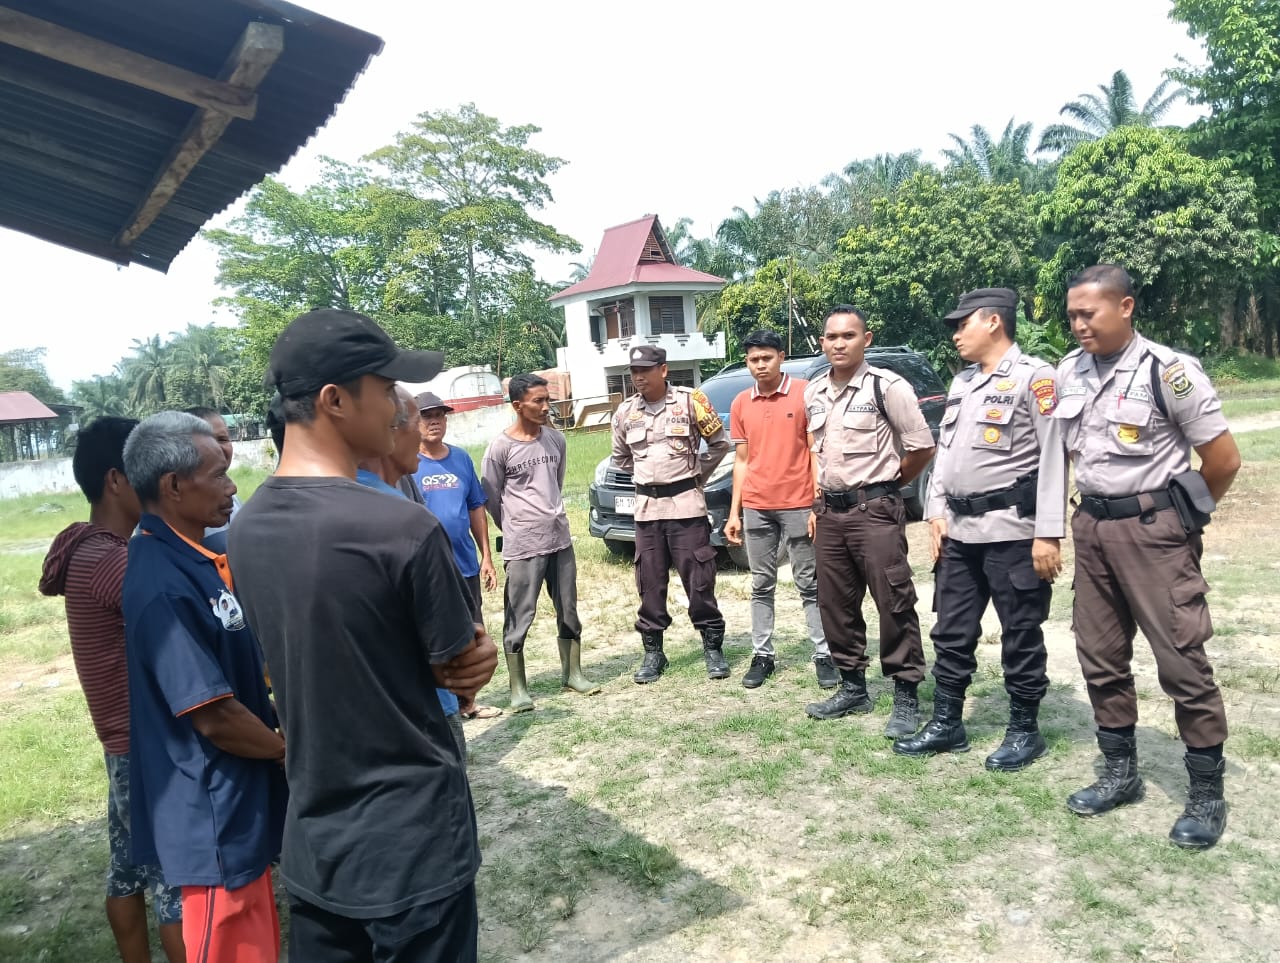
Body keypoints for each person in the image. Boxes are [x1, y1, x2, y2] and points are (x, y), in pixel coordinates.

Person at [228, 308, 496, 961]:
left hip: (317, 841)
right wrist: (473, 655)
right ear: (335, 400)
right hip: (413, 841)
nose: (396, 406)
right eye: (384, 389)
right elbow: (459, 663)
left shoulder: (247, 526)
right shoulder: (401, 527)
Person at [1036, 265, 1241, 849]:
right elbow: (1058, 460)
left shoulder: (1167, 372)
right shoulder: (1066, 373)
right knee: (1099, 655)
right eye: (1072, 314)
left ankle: (1205, 793)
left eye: (1089, 314)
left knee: (1181, 659)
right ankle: (1119, 772)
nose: (1078, 324)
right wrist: (1050, 530)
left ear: (1125, 307)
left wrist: (1181, 518)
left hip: (1155, 532)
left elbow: (1222, 460)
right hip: (1093, 529)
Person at [120, 411, 287, 962]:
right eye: (217, 474)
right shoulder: (162, 585)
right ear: (173, 486)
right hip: (212, 819)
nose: (232, 484)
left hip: (239, 805)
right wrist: (293, 752)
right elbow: (213, 716)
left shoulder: (196, 560)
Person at [892, 289, 1061, 771]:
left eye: (961, 323)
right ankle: (948, 723)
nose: (956, 333)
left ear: (992, 322)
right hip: (961, 532)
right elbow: (946, 455)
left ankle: (1024, 730)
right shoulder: (964, 381)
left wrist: (1048, 532)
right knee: (952, 631)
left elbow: (1055, 457)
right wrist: (936, 512)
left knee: (1020, 632)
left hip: (1011, 530)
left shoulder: (1035, 378)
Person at [37, 416, 184, 963]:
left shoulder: (90, 549)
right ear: (118, 480)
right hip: (144, 749)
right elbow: (182, 623)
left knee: (126, 868)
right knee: (174, 883)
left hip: (121, 744)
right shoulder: (113, 559)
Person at [803, 306, 936, 735]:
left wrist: (887, 486)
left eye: (848, 336)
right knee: (834, 603)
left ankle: (905, 693)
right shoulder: (814, 392)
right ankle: (852, 686)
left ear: (867, 339)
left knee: (893, 600)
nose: (838, 344)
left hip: (874, 510)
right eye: (831, 337)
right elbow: (815, 452)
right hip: (830, 513)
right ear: (822, 342)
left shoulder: (887, 386)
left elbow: (921, 447)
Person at [355, 386, 470, 756]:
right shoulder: (405, 521)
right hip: (415, 699)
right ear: (391, 432)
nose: (426, 426)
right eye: (417, 420)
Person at [610, 345, 732, 684]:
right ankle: (653, 652)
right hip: (647, 511)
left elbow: (719, 444)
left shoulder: (691, 402)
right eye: (634, 371)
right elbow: (621, 459)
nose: (638, 377)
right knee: (649, 583)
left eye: (645, 370)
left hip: (686, 506)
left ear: (663, 370)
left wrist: (696, 478)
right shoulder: (624, 413)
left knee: (700, 580)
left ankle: (712, 648)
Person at [723, 329, 836, 690]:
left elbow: (815, 450)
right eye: (754, 359)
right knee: (760, 583)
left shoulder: (804, 394)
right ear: (747, 362)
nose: (760, 365)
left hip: (800, 503)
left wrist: (818, 500)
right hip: (757, 505)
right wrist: (733, 512)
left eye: (766, 358)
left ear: (781, 357)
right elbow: (741, 460)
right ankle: (763, 655)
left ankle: (823, 654)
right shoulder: (741, 403)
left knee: (809, 583)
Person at [481, 373, 598, 712]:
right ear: (518, 406)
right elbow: (491, 497)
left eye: (548, 400)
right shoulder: (499, 448)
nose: (547, 407)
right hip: (523, 546)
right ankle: (518, 688)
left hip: (559, 539)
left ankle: (572, 673)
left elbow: (555, 483)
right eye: (539, 401)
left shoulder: (555, 440)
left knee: (568, 607)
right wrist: (517, 527)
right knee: (520, 613)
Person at [413, 390, 502, 720]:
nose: (434, 421)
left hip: (464, 563)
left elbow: (475, 506)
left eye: (440, 414)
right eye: (426, 415)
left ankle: (468, 703)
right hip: (428, 569)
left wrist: (486, 557)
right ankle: (439, 705)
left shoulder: (461, 459)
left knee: (471, 632)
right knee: (435, 636)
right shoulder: (407, 463)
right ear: (415, 421)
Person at [185, 407, 240, 552]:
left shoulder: (234, 500)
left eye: (222, 439)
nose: (216, 448)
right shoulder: (180, 510)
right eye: (207, 441)